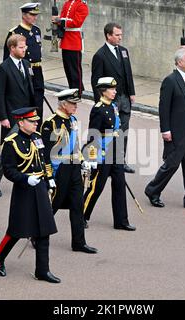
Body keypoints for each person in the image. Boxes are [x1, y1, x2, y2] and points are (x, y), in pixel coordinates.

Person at [0, 107, 60, 283]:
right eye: (32, 121)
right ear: (21, 123)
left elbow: (45, 160)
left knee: (44, 230)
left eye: (36, 121)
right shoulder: (11, 142)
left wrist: (50, 178)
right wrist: (25, 179)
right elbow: (8, 170)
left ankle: (42, 271)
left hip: (40, 187)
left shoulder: (37, 138)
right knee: (16, 230)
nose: (36, 123)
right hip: (24, 190)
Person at [41, 88, 98, 254]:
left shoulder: (72, 120)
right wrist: (49, 175)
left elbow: (75, 146)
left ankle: (79, 242)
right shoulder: (51, 123)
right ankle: (38, 235)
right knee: (53, 205)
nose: (75, 107)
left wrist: (83, 161)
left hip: (74, 169)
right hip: (60, 170)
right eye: (73, 104)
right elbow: (45, 153)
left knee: (77, 205)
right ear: (63, 104)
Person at [144, 47, 185, 209]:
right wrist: (165, 130)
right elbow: (164, 107)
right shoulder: (170, 81)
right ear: (179, 62)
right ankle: (153, 190)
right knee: (172, 164)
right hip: (178, 131)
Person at [82, 77, 136, 231]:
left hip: (115, 153)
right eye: (111, 89)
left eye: (114, 89)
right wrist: (92, 157)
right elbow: (93, 136)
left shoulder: (113, 106)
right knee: (96, 187)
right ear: (103, 91)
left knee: (119, 185)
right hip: (103, 153)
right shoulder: (98, 109)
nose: (115, 92)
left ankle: (121, 220)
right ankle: (82, 215)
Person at [0, 34, 35, 198]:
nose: (25, 50)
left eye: (25, 47)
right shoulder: (4, 68)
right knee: (8, 151)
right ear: (12, 48)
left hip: (27, 115)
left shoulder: (27, 64)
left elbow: (30, 90)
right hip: (12, 116)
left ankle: (28, 178)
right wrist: (3, 117)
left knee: (30, 147)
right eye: (21, 47)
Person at [91, 22, 136, 174]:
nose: (120, 38)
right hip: (111, 100)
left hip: (124, 99)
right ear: (108, 35)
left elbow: (128, 73)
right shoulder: (100, 55)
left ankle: (121, 162)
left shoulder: (123, 51)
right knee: (110, 132)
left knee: (124, 131)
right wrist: (101, 103)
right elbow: (95, 81)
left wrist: (132, 93)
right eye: (117, 35)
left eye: (120, 35)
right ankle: (108, 163)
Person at [3, 2, 44, 127]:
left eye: (35, 15)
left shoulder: (37, 30)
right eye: (32, 15)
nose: (35, 17)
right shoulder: (15, 33)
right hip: (23, 72)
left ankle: (37, 131)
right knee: (24, 103)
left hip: (37, 71)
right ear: (24, 15)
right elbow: (7, 59)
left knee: (38, 103)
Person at [52, 0, 89, 95]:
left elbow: (77, 22)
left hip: (74, 41)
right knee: (68, 69)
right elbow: (63, 17)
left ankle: (78, 92)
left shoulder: (82, 5)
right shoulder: (67, 3)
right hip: (66, 40)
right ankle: (72, 89)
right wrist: (57, 21)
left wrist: (60, 21)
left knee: (75, 70)